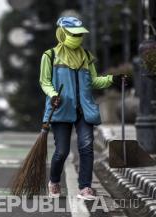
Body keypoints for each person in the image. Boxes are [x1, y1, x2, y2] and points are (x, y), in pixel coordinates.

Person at [39, 17, 127, 200]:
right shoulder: (50, 56)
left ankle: (85, 187)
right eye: (73, 34)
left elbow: (93, 81)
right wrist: (54, 94)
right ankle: (54, 181)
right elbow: (44, 81)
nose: (77, 38)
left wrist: (112, 79)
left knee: (86, 148)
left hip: (84, 110)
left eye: (80, 34)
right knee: (61, 151)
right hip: (61, 109)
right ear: (62, 33)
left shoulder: (86, 56)